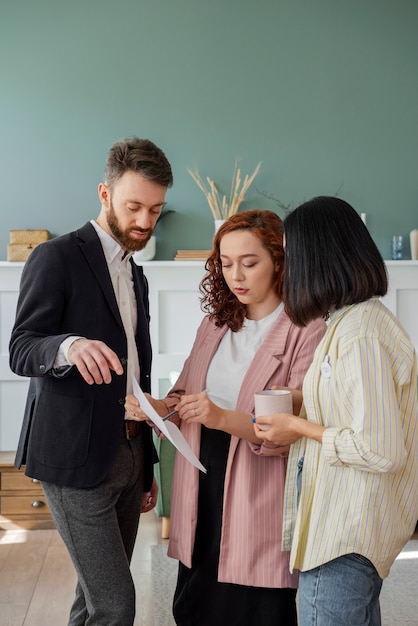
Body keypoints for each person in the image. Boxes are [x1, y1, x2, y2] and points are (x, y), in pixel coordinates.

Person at [125, 209, 327, 626]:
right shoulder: (215, 323)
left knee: (254, 600)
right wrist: (158, 407)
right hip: (200, 471)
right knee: (197, 599)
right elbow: (183, 393)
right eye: (227, 263)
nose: (237, 275)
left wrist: (220, 417)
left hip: (260, 481)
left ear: (279, 262)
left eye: (249, 263)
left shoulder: (306, 329)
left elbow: (290, 427)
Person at [9, 137, 173, 626]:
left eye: (156, 210)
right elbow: (22, 347)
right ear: (104, 193)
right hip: (73, 462)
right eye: (134, 207)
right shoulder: (55, 257)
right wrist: (69, 346)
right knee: (116, 605)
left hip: (127, 454)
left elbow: (135, 375)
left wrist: (147, 467)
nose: (145, 221)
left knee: (93, 599)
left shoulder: (136, 273)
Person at [254, 196, 418, 626]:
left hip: (346, 533)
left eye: (290, 256)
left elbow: (381, 449)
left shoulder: (360, 333)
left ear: (317, 258)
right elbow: (353, 408)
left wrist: (297, 426)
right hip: (346, 530)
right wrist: (298, 401)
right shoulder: (348, 323)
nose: (285, 270)